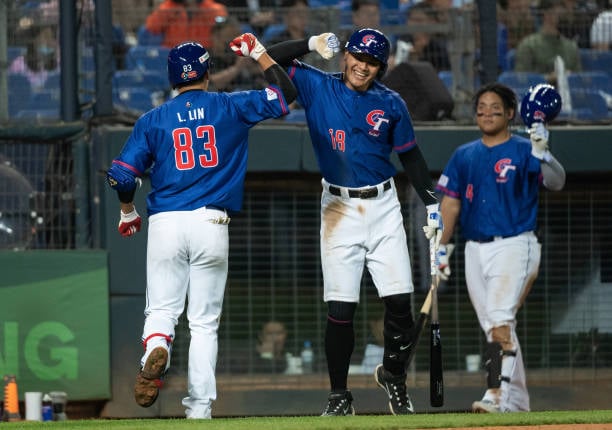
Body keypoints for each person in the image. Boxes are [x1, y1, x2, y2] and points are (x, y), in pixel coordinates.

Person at [105, 34, 296, 419]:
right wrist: (259, 54)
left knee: (161, 309)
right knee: (204, 324)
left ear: (172, 79)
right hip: (212, 221)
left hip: (166, 222)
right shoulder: (231, 105)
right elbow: (284, 94)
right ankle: (199, 408)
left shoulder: (152, 119)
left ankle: (156, 346)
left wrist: (128, 210)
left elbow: (121, 175)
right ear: (208, 73)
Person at [266, 28, 443, 416]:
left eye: (373, 61)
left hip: (384, 206)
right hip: (339, 209)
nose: (363, 66)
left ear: (382, 66)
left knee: (400, 303)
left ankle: (394, 375)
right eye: (358, 57)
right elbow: (269, 57)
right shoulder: (317, 85)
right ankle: (339, 396)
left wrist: (431, 203)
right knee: (341, 309)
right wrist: (311, 44)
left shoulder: (392, 102)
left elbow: (410, 156)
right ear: (345, 55)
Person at [434, 82, 566, 413]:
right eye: (481, 106)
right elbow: (449, 205)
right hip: (474, 250)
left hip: (514, 244)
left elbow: (556, 182)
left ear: (510, 113)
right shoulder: (463, 154)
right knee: (496, 325)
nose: (487, 111)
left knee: (499, 321)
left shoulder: (526, 149)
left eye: (495, 107)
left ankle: (495, 393)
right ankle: (517, 402)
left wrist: (544, 153)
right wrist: (440, 248)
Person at [514, 0, 582, 83]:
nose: (564, 14)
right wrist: (548, 78)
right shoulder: (528, 45)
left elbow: (579, 81)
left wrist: (570, 76)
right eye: (560, 11)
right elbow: (520, 79)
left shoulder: (571, 47)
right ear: (546, 14)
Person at [144, 0, 228, 49]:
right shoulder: (169, 6)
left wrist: (199, 9)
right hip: (173, 53)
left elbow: (222, 19)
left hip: (204, 52)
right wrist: (172, 11)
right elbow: (151, 26)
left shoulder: (208, 6)